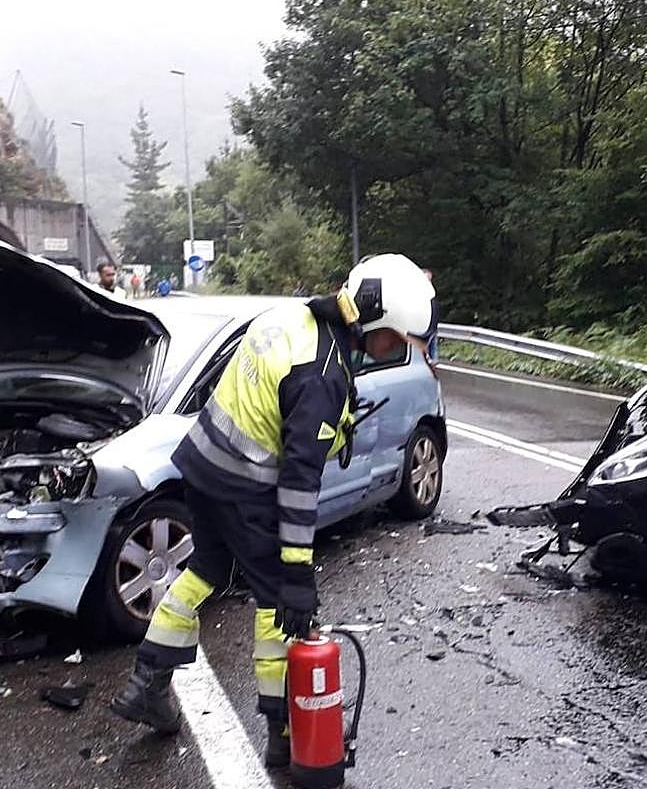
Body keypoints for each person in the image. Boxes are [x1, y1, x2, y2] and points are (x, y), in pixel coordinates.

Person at [110, 253, 436, 767]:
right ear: (372, 319)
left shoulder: (295, 318)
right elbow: (300, 485)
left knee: (205, 570)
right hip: (246, 484)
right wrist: (298, 575)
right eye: (393, 339)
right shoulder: (323, 375)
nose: (390, 349)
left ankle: (147, 682)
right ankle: (282, 731)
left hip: (202, 466)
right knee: (278, 603)